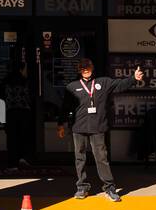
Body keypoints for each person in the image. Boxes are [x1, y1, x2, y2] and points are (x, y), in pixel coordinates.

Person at [56, 58, 144, 201]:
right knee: (80, 158)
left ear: (92, 68)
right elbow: (65, 107)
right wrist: (61, 124)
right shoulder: (72, 86)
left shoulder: (103, 82)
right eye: (83, 68)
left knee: (101, 158)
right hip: (79, 127)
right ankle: (82, 187)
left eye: (88, 68)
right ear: (79, 70)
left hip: (98, 127)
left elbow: (120, 85)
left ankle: (109, 188)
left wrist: (133, 78)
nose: (86, 70)